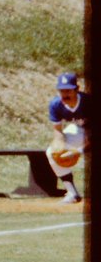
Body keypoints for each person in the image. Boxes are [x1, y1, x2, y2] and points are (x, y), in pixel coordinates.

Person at [45, 71, 91, 203]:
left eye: (68, 91)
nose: (65, 94)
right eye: (62, 91)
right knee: (52, 152)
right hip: (81, 129)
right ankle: (72, 193)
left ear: (77, 89)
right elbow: (58, 131)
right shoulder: (55, 104)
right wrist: (60, 145)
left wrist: (77, 151)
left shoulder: (89, 102)